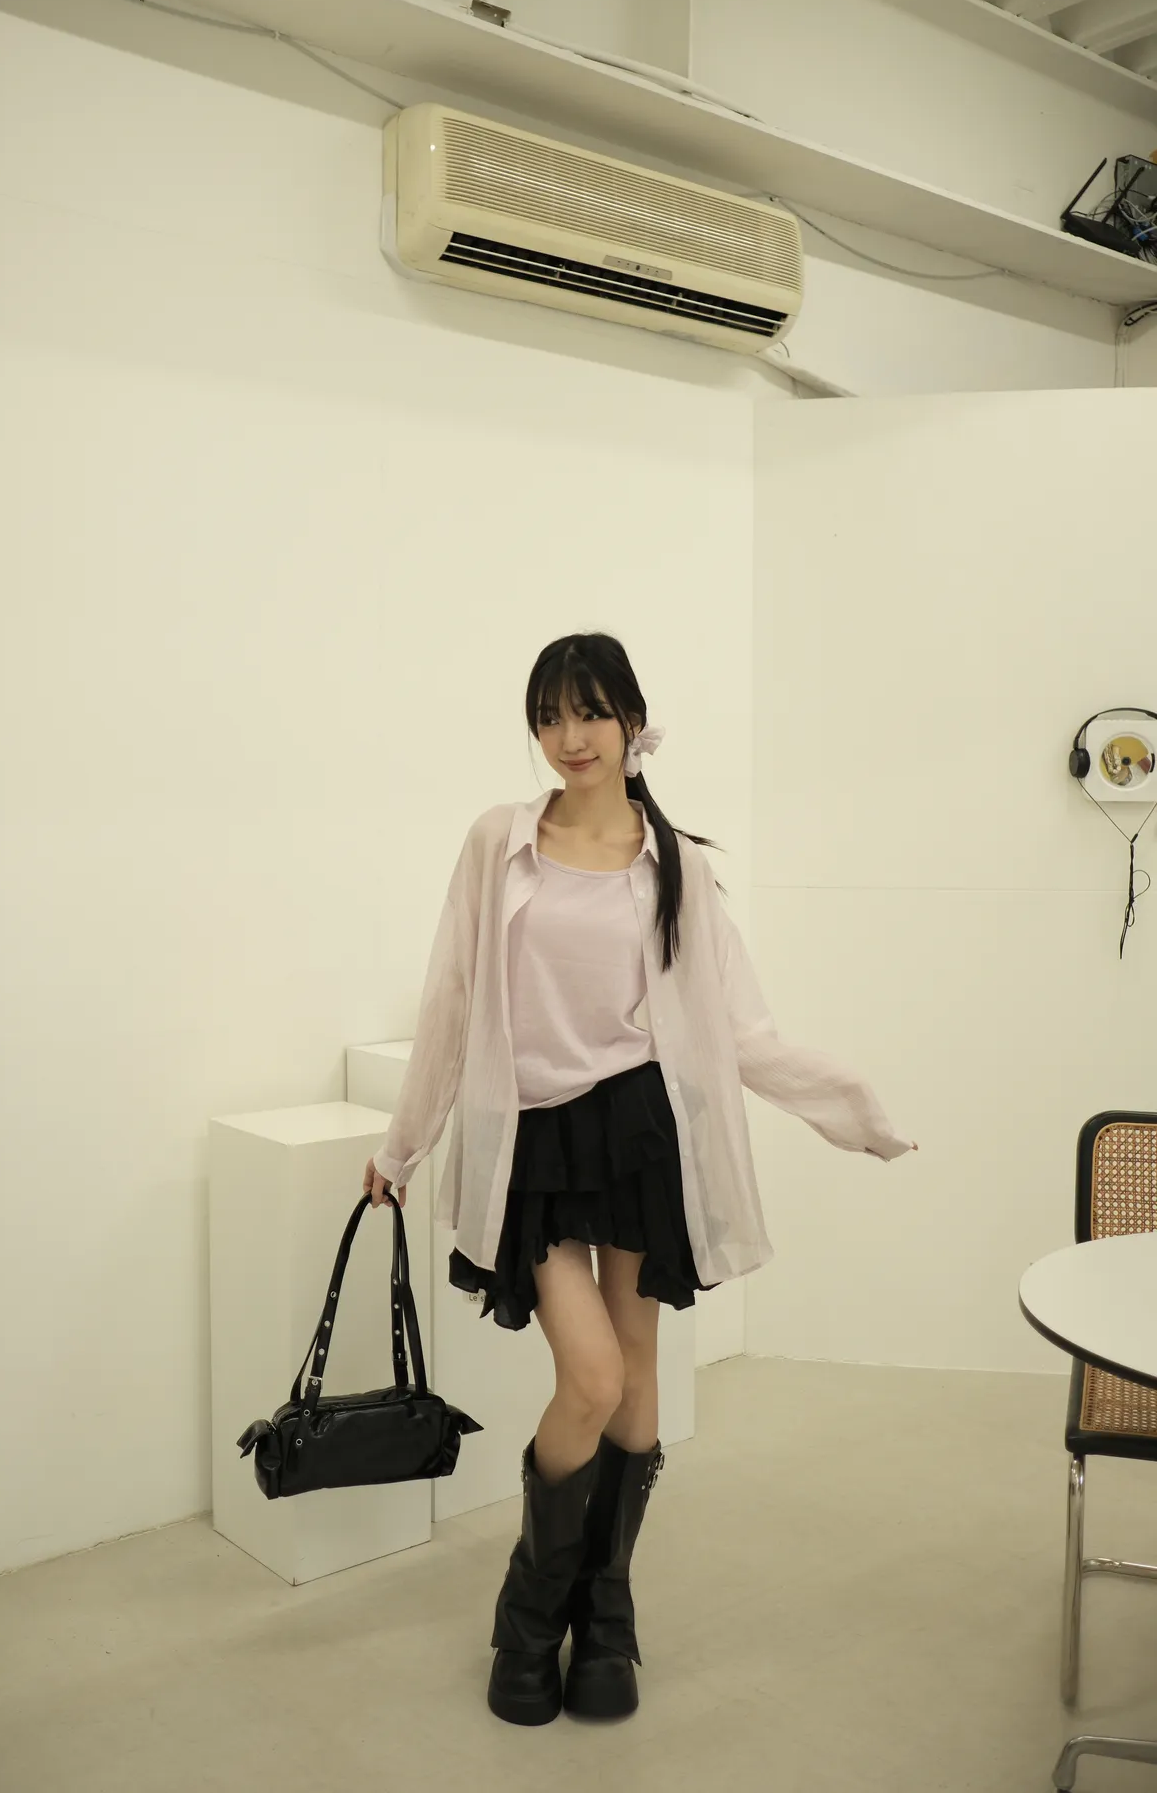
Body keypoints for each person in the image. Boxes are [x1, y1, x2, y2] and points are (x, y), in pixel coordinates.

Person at [363, 632, 916, 1729]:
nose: (569, 738)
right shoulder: (498, 844)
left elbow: (738, 1029)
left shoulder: (679, 867)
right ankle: (531, 1614)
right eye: (549, 717)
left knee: (636, 1371)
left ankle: (604, 1611)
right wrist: (402, 1147)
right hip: (534, 1141)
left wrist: (849, 1109)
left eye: (590, 713)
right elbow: (451, 1000)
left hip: (636, 1134)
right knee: (592, 1377)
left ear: (631, 722)